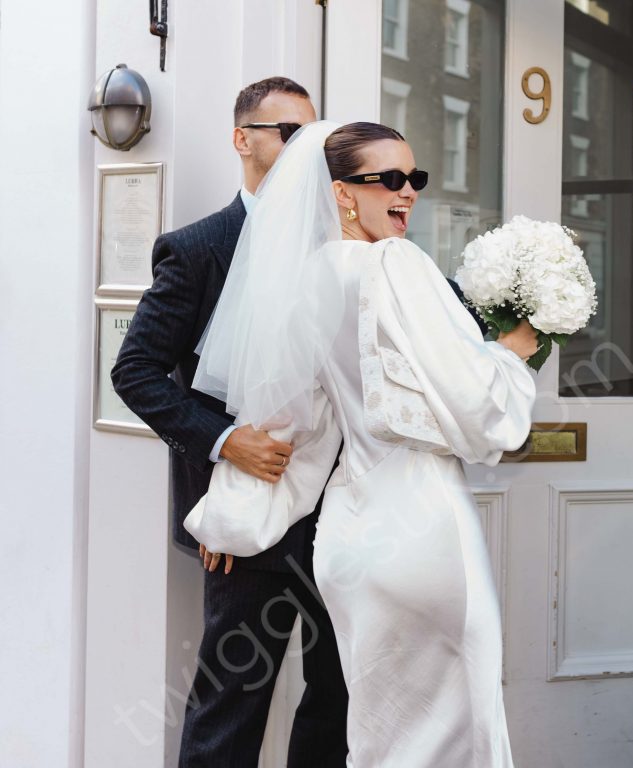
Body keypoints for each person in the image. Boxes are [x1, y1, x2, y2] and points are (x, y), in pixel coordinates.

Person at [189, 120, 539, 767]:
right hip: (424, 531)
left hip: (351, 544)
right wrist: (515, 354)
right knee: (459, 735)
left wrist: (230, 520)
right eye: (390, 180)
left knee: (380, 739)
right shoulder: (396, 263)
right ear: (343, 193)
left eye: (415, 179)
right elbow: (484, 414)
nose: (407, 193)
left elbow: (294, 430)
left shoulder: (311, 279)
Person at [111, 79, 348, 767]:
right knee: (232, 701)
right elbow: (136, 373)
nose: (309, 149)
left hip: (343, 511)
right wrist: (224, 455)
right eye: (290, 133)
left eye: (316, 135)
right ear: (243, 139)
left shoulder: (343, 242)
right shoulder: (197, 248)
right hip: (242, 517)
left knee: (338, 693)